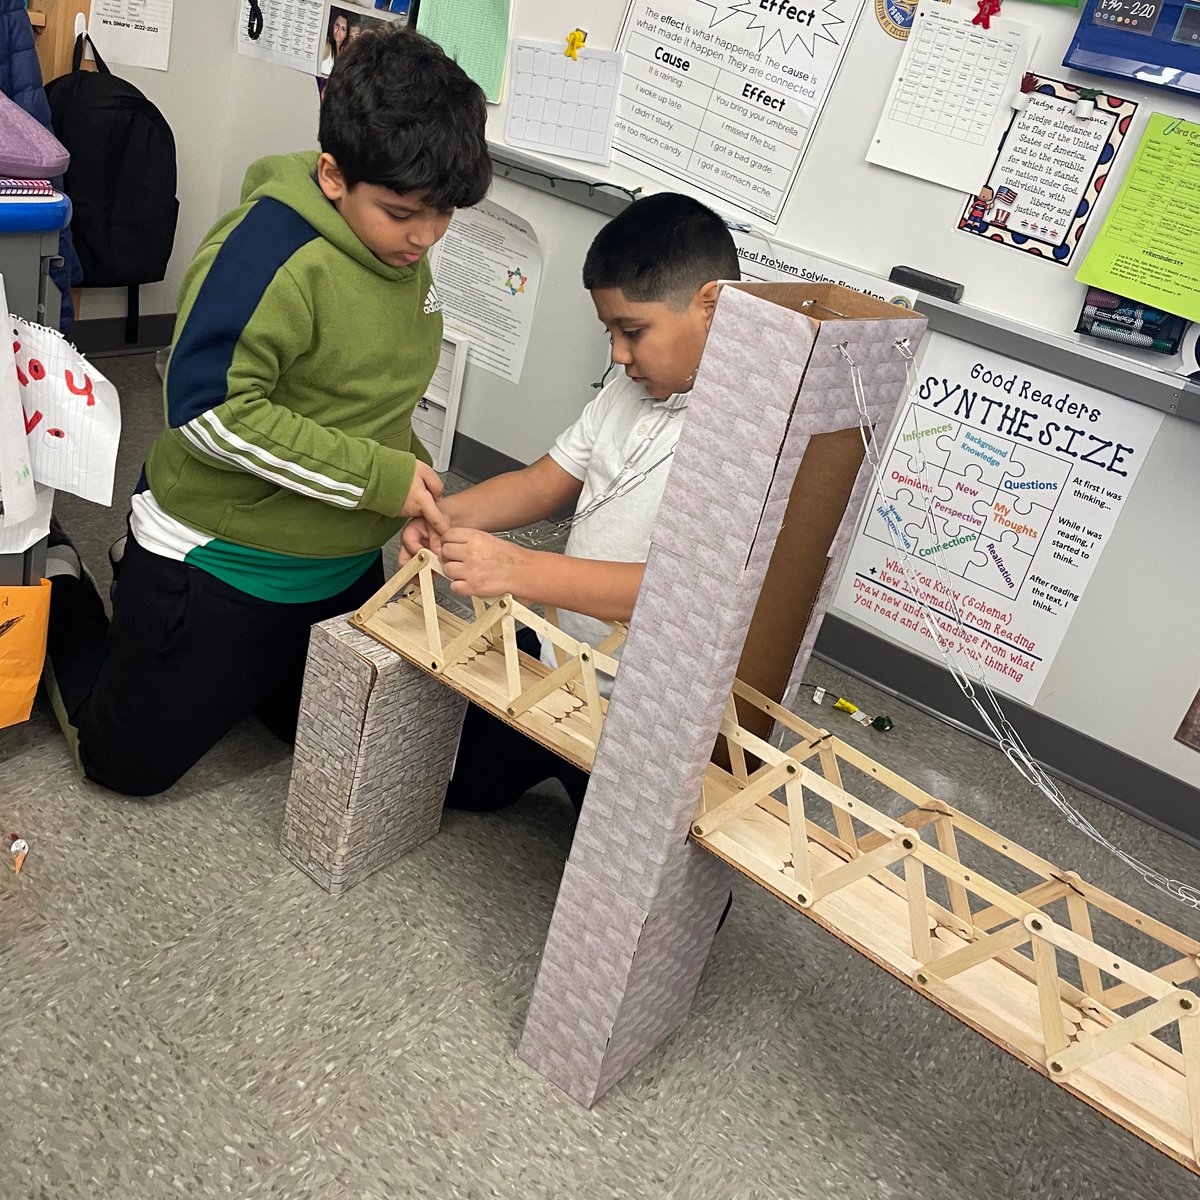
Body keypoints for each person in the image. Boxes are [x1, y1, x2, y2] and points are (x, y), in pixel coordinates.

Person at [41, 25, 491, 797]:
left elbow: (369, 397)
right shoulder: (267, 252)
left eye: (443, 212)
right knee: (125, 766)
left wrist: (413, 483)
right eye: (401, 212)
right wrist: (379, 480)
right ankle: (63, 576)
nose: (425, 236)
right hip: (225, 555)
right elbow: (207, 413)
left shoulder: (399, 252)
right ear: (332, 175)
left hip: (339, 565)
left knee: (357, 748)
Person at [401, 192, 740, 813]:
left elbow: (674, 593)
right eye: (610, 332)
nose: (618, 355)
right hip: (560, 661)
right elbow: (542, 483)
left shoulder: (742, 440)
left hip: (639, 710)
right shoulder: (624, 392)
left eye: (633, 332)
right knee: (466, 788)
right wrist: (446, 517)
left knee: (621, 862)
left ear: (710, 306)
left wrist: (518, 569)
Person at [319, 10, 350, 75]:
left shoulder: (345, 55)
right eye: (337, 25)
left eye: (343, 29)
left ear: (347, 34)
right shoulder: (326, 48)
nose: (338, 31)